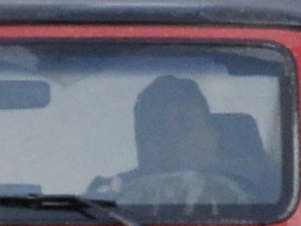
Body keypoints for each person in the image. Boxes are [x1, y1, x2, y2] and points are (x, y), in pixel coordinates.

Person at [90, 74, 252, 207]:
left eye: (186, 125)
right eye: (157, 129)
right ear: (142, 144)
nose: (172, 137)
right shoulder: (105, 201)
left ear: (212, 137)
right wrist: (110, 205)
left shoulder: (255, 203)